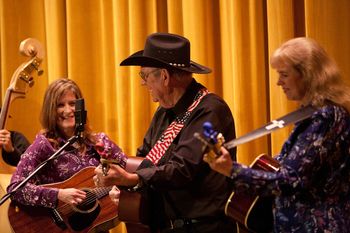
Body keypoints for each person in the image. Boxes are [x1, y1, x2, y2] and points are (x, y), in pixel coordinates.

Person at [93, 32, 237, 233]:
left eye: (144, 75)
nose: (143, 83)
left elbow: (182, 169)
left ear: (164, 76)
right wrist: (125, 186)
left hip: (203, 228)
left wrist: (132, 179)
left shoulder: (210, 110)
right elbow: (145, 157)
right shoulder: (163, 112)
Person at [204, 37, 350, 232]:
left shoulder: (325, 117)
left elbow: (290, 181)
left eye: (284, 74)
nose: (278, 82)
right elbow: (292, 170)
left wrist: (233, 170)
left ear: (307, 74)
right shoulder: (315, 114)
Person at [6, 79, 127, 229]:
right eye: (60, 105)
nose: (68, 110)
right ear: (51, 110)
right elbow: (15, 188)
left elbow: (128, 171)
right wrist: (58, 195)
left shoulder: (100, 142)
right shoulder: (44, 145)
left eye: (72, 103)